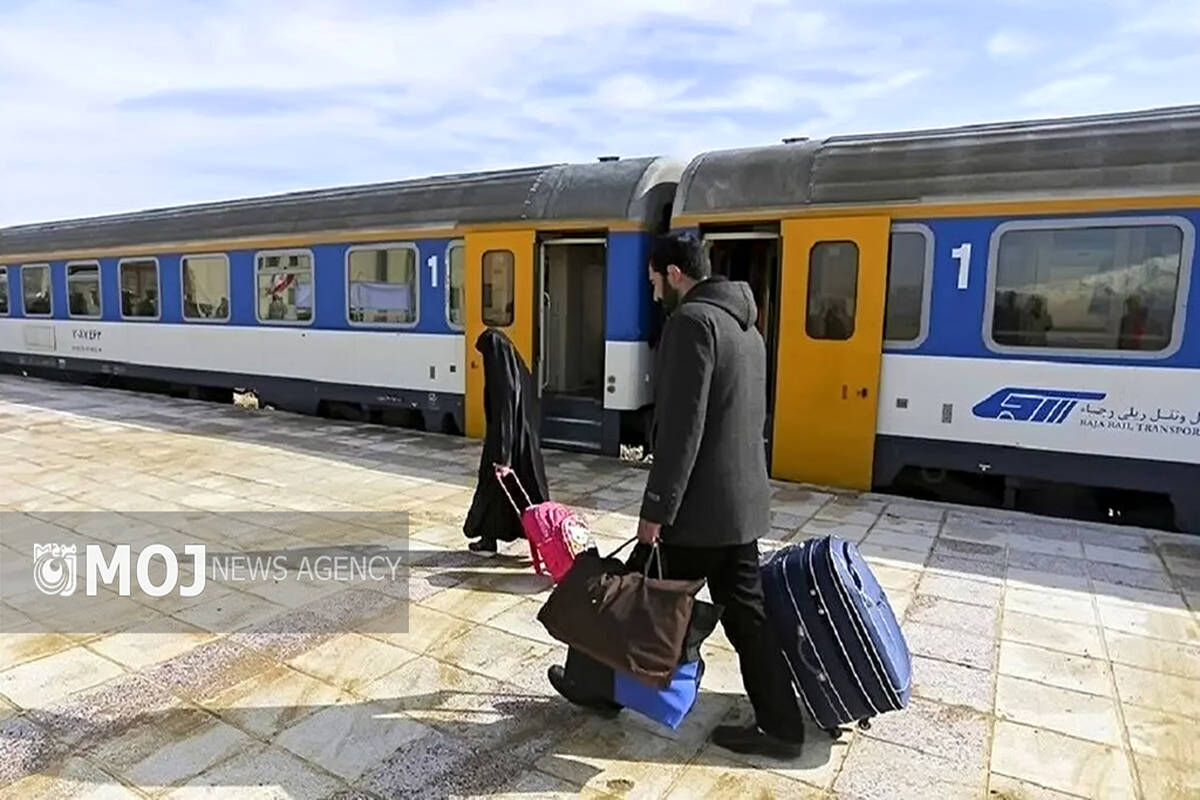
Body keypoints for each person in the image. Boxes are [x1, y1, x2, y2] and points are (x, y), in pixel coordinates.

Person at [548, 232, 806, 759]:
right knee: (747, 618)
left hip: (695, 512)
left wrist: (656, 511)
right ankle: (783, 726)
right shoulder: (747, 327)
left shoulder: (692, 323)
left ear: (674, 273)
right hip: (739, 509)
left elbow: (682, 432)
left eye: (654, 281)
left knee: (622, 594)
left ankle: (592, 686)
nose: (653, 291)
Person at [462, 327, 549, 556]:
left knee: (493, 491)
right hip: (522, 447)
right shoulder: (516, 370)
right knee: (524, 495)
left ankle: (490, 540)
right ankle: (540, 541)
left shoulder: (502, 377)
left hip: (503, 446)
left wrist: (502, 456)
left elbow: (504, 415)